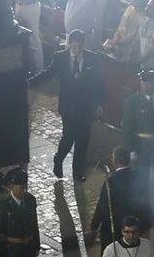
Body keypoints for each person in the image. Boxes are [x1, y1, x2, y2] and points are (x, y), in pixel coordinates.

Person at [28, 29, 104, 180]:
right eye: (74, 46)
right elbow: (49, 73)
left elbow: (98, 83)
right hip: (69, 106)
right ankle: (59, 158)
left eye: (80, 47)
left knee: (83, 139)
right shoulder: (60, 57)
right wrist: (31, 81)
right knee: (68, 137)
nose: (77, 50)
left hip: (86, 107)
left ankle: (78, 172)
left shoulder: (92, 58)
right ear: (69, 43)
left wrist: (100, 103)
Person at [121, 69, 154, 220]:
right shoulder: (133, 101)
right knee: (142, 181)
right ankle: (144, 214)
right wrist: (131, 150)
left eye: (149, 82)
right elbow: (127, 127)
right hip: (142, 146)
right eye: (143, 82)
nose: (146, 86)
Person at [88, 147, 151, 255]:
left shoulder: (111, 181)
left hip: (115, 229)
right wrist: (147, 223)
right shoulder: (139, 178)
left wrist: (94, 227)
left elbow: (102, 207)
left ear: (115, 160)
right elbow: (145, 202)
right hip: (135, 227)